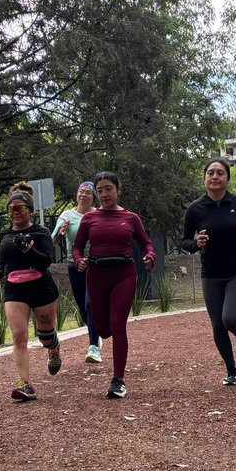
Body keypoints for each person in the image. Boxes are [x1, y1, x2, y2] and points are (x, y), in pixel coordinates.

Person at [72, 171, 155, 399]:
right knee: (104, 328)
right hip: (96, 275)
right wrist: (79, 260)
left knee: (118, 325)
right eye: (99, 190)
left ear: (119, 189)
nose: (104, 194)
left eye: (108, 188)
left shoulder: (131, 218)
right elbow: (77, 247)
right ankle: (100, 338)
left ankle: (118, 380)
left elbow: (146, 243)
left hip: (124, 274)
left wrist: (150, 256)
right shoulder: (89, 219)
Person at [181, 157, 236, 386]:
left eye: (220, 173)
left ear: (227, 178)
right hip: (211, 274)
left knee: (230, 318)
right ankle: (231, 370)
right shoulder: (195, 209)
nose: (215, 177)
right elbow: (185, 241)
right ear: (205, 178)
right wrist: (197, 243)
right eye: (210, 173)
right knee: (217, 325)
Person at [0, 182, 62, 403]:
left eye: (20, 209)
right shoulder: (4, 234)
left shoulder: (40, 232)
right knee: (19, 336)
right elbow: (2, 259)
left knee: (45, 334)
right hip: (15, 289)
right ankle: (25, 384)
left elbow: (46, 261)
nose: (15, 213)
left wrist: (29, 249)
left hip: (41, 287)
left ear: (30, 211)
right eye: (11, 209)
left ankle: (53, 350)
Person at [52, 181, 102, 364]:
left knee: (90, 305)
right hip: (74, 265)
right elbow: (52, 241)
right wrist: (60, 233)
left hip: (95, 265)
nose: (84, 195)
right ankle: (95, 333)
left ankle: (93, 347)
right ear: (77, 194)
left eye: (88, 192)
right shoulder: (67, 215)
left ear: (93, 197)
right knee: (82, 307)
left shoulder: (99, 214)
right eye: (81, 191)